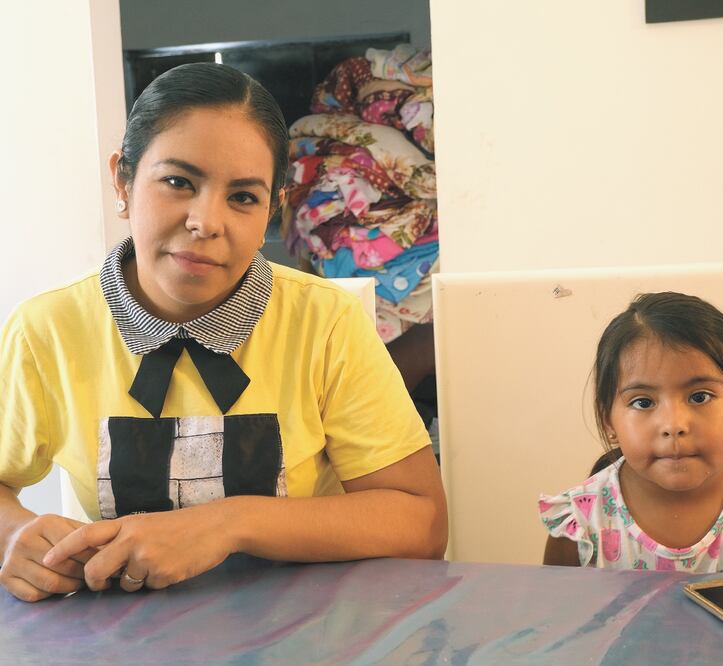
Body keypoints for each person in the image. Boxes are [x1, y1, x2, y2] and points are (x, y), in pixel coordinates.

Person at [0, 63, 447, 603]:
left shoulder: (324, 323)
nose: (205, 222)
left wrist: (228, 524)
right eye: (177, 182)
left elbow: (420, 522)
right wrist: (12, 535)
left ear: (272, 212)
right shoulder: (48, 330)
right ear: (123, 179)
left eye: (242, 197)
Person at [539, 292, 723, 574]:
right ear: (609, 422)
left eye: (700, 397)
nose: (674, 424)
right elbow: (563, 617)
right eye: (643, 402)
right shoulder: (578, 526)